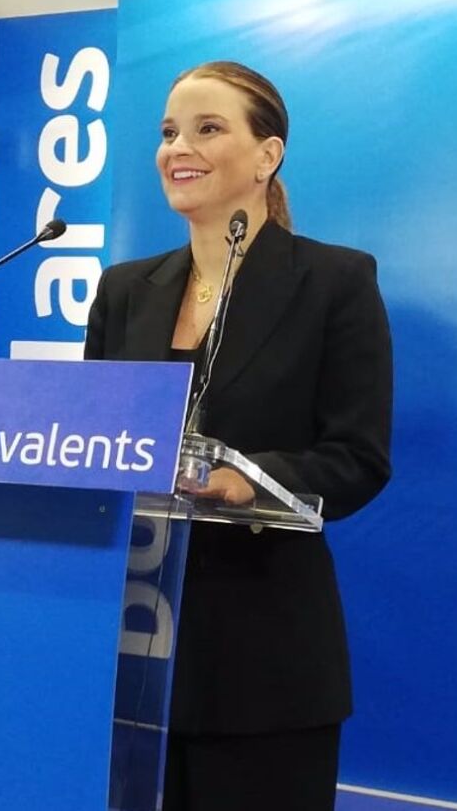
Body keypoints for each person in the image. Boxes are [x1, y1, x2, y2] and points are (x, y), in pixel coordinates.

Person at [84, 61, 393, 811]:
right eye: (168, 132)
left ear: (267, 156)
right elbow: (92, 442)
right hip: (131, 649)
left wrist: (250, 478)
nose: (177, 148)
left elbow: (357, 457)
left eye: (207, 128)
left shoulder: (334, 282)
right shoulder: (124, 290)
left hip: (265, 657)